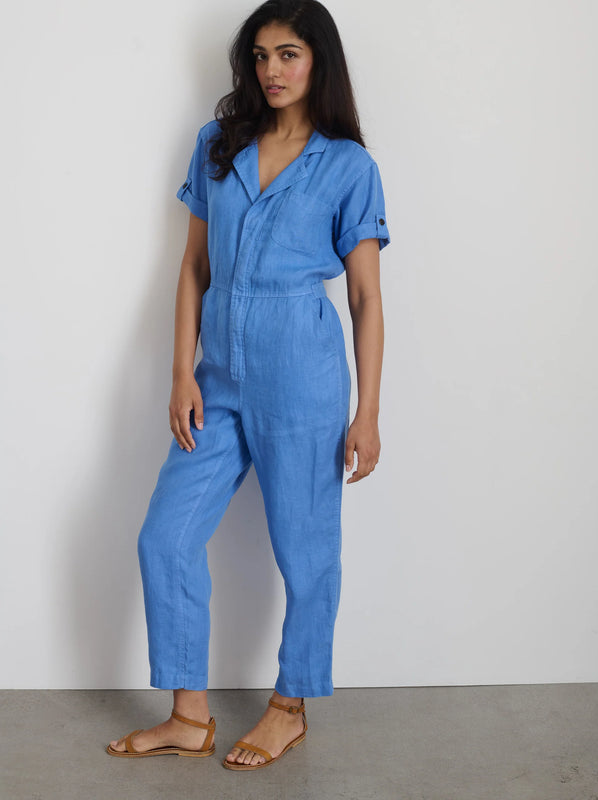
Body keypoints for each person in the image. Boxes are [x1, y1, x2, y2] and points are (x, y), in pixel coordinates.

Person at [106, 0, 390, 771]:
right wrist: (180, 373)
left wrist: (368, 412)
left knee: (306, 552)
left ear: (319, 60)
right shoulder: (219, 144)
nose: (271, 70)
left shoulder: (348, 166)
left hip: (303, 377)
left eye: (288, 54)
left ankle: (289, 708)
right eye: (261, 56)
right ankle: (188, 717)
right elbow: (195, 266)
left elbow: (366, 298)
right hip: (218, 379)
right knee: (165, 537)